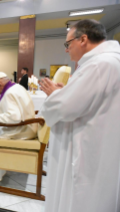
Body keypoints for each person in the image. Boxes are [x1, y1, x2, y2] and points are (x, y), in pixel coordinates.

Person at [39, 19, 120, 212]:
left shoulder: (99, 65)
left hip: (87, 147)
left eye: (68, 44)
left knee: (79, 200)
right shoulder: (109, 61)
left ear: (83, 39)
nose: (67, 49)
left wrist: (55, 94)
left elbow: (65, 107)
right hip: (101, 143)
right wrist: (66, 90)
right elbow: (87, 99)